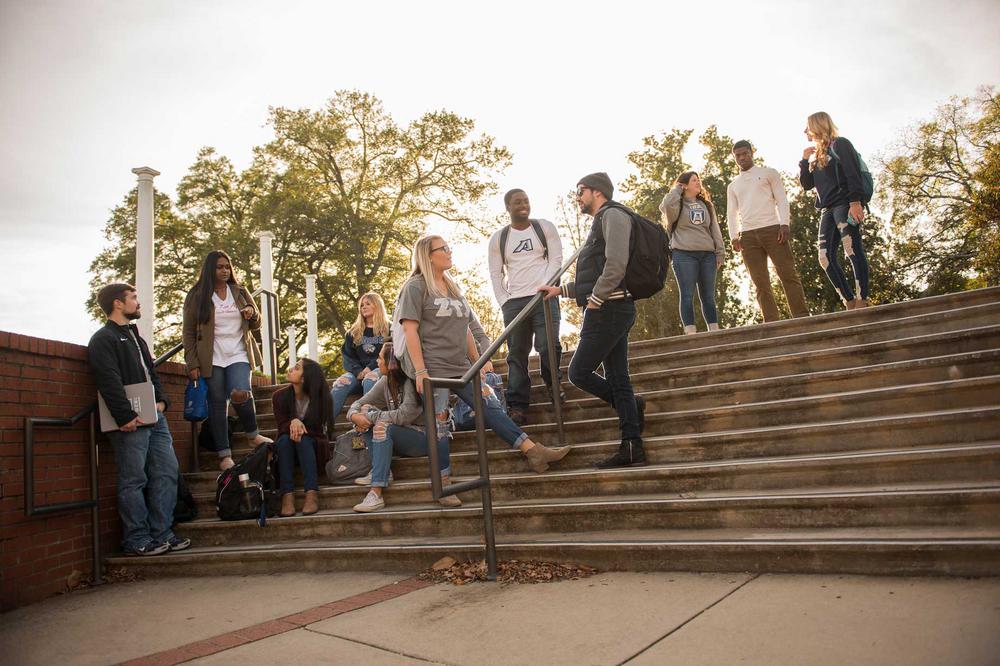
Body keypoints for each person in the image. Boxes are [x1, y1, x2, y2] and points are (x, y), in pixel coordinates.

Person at [395, 235, 571, 474]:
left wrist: (477, 362)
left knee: (490, 407)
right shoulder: (415, 286)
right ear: (428, 255)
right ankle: (443, 484)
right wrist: (421, 371)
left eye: (449, 246)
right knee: (440, 425)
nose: (449, 251)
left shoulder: (452, 286)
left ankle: (533, 451)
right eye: (443, 248)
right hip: (434, 370)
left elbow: (466, 328)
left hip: (461, 368)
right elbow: (410, 329)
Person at [539, 172, 647, 468]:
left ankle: (632, 413)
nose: (577, 197)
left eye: (580, 191)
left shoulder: (612, 215)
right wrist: (562, 290)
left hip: (609, 309)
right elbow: (596, 273)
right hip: (610, 306)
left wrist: (596, 301)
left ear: (596, 192)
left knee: (578, 372)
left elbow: (615, 265)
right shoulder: (603, 220)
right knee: (618, 379)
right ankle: (631, 443)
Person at [88, 283, 189, 556]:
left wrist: (162, 402)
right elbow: (108, 381)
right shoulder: (103, 339)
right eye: (133, 297)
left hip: (155, 417)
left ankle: (162, 533)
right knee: (134, 479)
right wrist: (125, 416)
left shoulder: (137, 338)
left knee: (166, 472)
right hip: (129, 422)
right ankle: (136, 538)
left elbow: (151, 375)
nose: (138, 302)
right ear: (118, 304)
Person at [183, 251, 271, 471]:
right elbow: (188, 332)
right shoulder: (197, 296)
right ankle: (224, 454)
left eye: (227, 267)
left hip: (239, 352)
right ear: (210, 269)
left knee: (241, 392)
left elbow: (257, 323)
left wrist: (252, 313)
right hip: (211, 356)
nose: (224, 271)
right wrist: (192, 362)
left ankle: (252, 434)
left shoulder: (239, 291)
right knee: (217, 404)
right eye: (219, 267)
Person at [349, 341, 462, 512]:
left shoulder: (411, 383)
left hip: (424, 438)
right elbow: (358, 403)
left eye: (380, 358)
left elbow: (405, 415)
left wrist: (371, 416)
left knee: (379, 424)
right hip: (403, 436)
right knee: (366, 414)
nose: (377, 362)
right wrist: (355, 416)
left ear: (391, 363)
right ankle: (381, 472)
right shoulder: (385, 382)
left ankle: (376, 492)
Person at [487, 188, 564, 425]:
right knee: (516, 354)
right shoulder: (499, 238)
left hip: (544, 297)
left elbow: (556, 260)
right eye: (517, 202)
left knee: (548, 345)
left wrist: (546, 285)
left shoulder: (544, 228)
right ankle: (518, 404)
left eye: (526, 200)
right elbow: (495, 273)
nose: (523, 205)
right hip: (515, 302)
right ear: (508, 207)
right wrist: (504, 301)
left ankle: (553, 385)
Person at [727, 140, 810, 322]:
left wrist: (784, 224)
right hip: (748, 236)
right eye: (737, 155)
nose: (741, 157)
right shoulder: (733, 185)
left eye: (744, 153)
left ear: (751, 152)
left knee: (788, 274)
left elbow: (781, 199)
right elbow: (731, 213)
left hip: (773, 230)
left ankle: (802, 317)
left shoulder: (769, 173)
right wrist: (734, 236)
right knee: (760, 283)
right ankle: (771, 322)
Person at [799, 111, 871, 309]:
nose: (805, 131)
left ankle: (862, 299)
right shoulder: (816, 155)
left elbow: (852, 173)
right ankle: (848, 300)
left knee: (852, 250)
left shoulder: (840, 145)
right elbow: (806, 184)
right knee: (824, 257)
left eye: (808, 126)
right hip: (826, 210)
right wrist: (804, 161)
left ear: (817, 126)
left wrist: (855, 202)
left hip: (845, 204)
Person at [658, 171, 726, 334]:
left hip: (707, 255)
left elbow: (714, 229)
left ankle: (714, 331)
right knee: (687, 295)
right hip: (684, 254)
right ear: (685, 185)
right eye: (694, 180)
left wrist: (720, 252)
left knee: (708, 296)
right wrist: (676, 189)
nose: (698, 182)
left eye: (698, 180)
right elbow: (665, 206)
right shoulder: (677, 204)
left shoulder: (706, 205)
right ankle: (690, 333)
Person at [273, 358, 334, 517]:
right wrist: (293, 421)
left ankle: (311, 493)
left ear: (304, 378)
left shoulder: (322, 398)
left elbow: (319, 431)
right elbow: (281, 427)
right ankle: (287, 495)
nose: (290, 369)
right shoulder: (279, 397)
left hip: (312, 445)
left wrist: (299, 426)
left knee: (303, 440)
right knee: (284, 441)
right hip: (288, 446)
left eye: (296, 368)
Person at [331, 293, 388, 420]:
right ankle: (323, 426)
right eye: (361, 305)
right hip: (357, 373)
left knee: (370, 379)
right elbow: (348, 356)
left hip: (380, 371)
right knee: (340, 384)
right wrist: (357, 371)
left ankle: (367, 423)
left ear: (377, 306)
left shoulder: (389, 329)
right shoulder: (353, 332)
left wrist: (370, 368)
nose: (364, 307)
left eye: (368, 304)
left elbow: (389, 352)